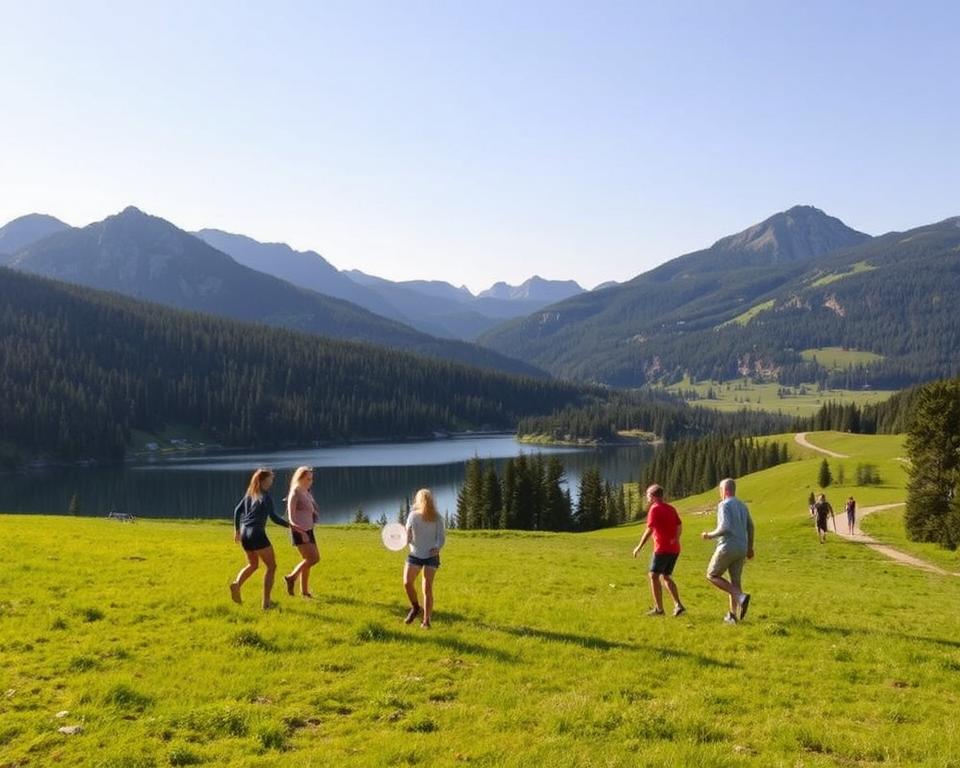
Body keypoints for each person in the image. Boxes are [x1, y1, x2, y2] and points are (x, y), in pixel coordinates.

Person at [230, 468, 289, 609]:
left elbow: (237, 511)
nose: (272, 482)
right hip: (257, 533)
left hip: (245, 533)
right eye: (270, 479)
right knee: (271, 566)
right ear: (263, 480)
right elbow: (274, 518)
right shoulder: (265, 496)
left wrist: (237, 530)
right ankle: (266, 604)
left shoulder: (250, 494)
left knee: (253, 565)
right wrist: (290, 525)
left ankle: (237, 584)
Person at [702, 478, 754, 624]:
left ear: (723, 491)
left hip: (727, 546)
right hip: (741, 548)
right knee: (735, 581)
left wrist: (709, 535)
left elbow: (725, 527)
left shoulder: (724, 505)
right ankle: (733, 616)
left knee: (711, 574)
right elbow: (751, 527)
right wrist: (749, 547)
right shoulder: (743, 506)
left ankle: (740, 597)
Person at [632, 484, 686, 617]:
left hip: (662, 549)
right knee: (666, 577)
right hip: (674, 549)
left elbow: (649, 530)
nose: (647, 497)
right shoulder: (671, 508)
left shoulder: (654, 509)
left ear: (654, 496)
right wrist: (676, 538)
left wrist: (639, 547)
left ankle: (659, 609)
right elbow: (679, 525)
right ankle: (678, 605)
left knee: (653, 576)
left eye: (648, 495)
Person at [403, 488, 446, 629]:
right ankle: (416, 608)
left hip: (430, 557)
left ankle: (426, 622)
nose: (425, 501)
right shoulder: (413, 516)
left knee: (427, 588)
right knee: (407, 583)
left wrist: (437, 547)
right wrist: (406, 539)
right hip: (415, 554)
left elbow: (441, 538)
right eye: (423, 498)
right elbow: (407, 536)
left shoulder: (437, 517)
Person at [283, 466, 320, 598]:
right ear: (300, 478)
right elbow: (291, 519)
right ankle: (291, 577)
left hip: (309, 530)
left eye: (311, 479)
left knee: (308, 560)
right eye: (308, 479)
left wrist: (314, 514)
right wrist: (301, 532)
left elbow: (308, 510)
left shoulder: (306, 491)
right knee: (314, 558)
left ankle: (304, 592)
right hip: (300, 531)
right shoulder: (295, 492)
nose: (310, 481)